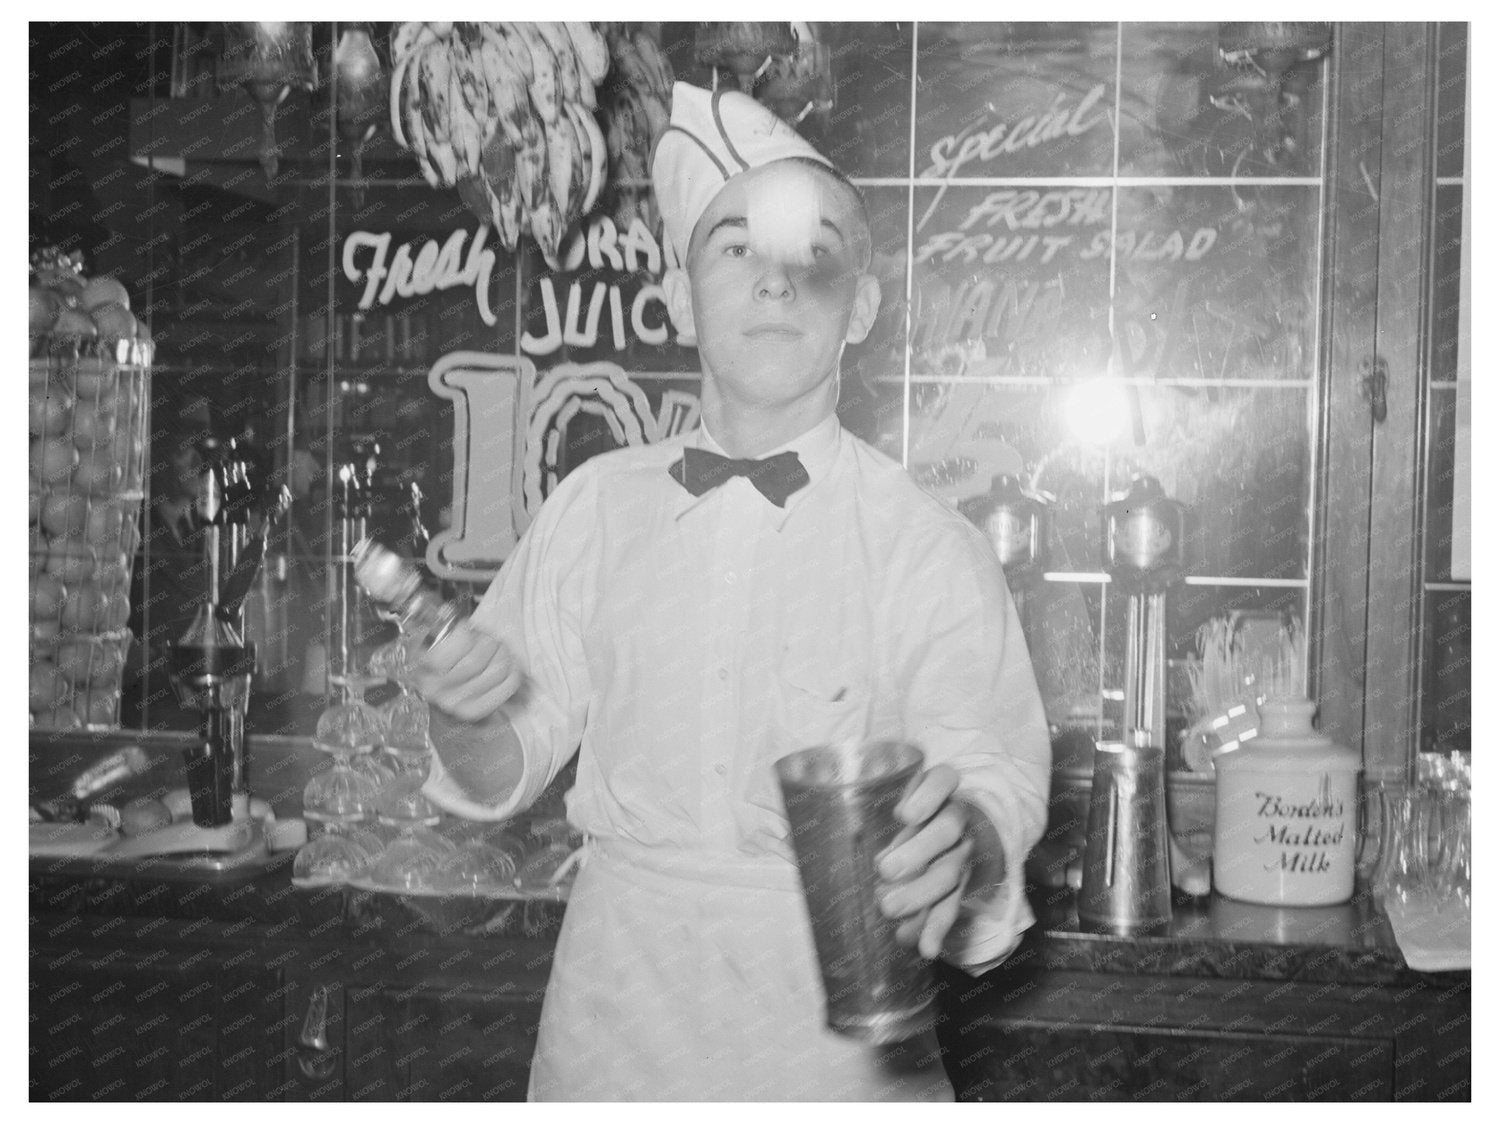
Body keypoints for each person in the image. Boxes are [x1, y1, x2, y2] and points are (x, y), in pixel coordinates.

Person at [414, 82, 1051, 1102]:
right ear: (676, 296)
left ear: (866, 307)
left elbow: (993, 784)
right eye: (736, 248)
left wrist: (960, 842)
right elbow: (496, 767)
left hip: (841, 1066)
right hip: (609, 1046)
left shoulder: (927, 545)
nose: (775, 283)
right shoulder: (593, 508)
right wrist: (464, 712)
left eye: (815, 254)